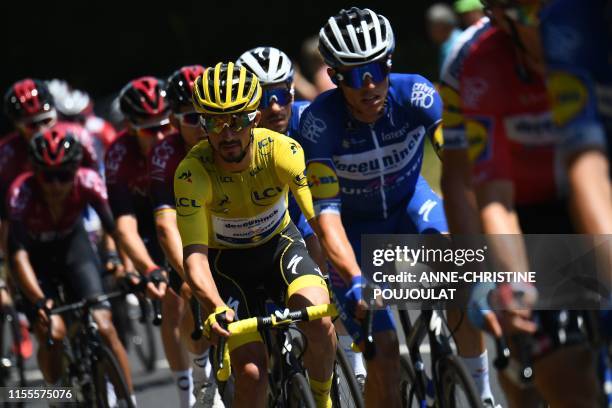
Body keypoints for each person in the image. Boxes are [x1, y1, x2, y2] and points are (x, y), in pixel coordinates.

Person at [296, 7, 499, 407]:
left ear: (389, 64)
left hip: (411, 205)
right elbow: (328, 219)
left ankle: (484, 395)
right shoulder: (320, 123)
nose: (369, 84)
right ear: (335, 77)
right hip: (355, 232)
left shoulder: (417, 94)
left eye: (377, 69)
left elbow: (464, 171)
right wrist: (355, 278)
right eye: (355, 75)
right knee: (384, 353)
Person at [440, 0, 601, 406]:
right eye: (534, 14)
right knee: (559, 372)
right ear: (501, 18)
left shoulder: (594, 33)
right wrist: (486, 277)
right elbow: (475, 190)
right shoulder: (473, 67)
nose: (552, 24)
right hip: (526, 215)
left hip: (596, 196)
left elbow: (592, 174)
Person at [175, 62, 336, 408]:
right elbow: (195, 256)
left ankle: (322, 400)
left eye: (237, 119)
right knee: (250, 374)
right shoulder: (191, 172)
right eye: (215, 122)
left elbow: (321, 221)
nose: (227, 133)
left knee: (320, 322)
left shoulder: (282, 150)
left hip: (281, 248)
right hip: (229, 267)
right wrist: (214, 307)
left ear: (256, 117)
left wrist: (342, 274)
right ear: (203, 124)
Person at [236, 46, 368, 387]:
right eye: (265, 98)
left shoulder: (311, 120)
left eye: (282, 93)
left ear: (293, 90)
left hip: (307, 211)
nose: (276, 107)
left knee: (325, 272)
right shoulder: (236, 139)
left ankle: (353, 362)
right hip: (261, 225)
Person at [6, 127, 136, 406]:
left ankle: (128, 400)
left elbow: (116, 230)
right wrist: (38, 300)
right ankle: (55, 393)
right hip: (35, 263)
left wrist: (123, 265)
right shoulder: (21, 193)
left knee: (104, 326)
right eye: (48, 177)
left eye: (64, 175)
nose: (55, 185)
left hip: (74, 252)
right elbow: (18, 257)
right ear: (35, 173)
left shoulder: (88, 182)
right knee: (53, 333)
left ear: (76, 171)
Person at [149, 65, 222, 407]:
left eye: (209, 116)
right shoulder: (166, 154)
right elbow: (166, 226)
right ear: (174, 122)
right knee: (188, 291)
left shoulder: (229, 135)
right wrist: (191, 276)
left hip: (231, 223)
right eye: (192, 118)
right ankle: (200, 371)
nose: (204, 126)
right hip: (187, 230)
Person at [104, 76, 170, 300]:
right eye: (149, 131)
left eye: (165, 126)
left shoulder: (181, 141)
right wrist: (148, 269)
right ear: (132, 129)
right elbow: (124, 225)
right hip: (142, 221)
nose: (160, 136)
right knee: (170, 295)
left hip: (179, 214)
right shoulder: (118, 155)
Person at [426, 3, 462, 71]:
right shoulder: (446, 44)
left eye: (432, 25)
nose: (429, 30)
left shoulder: (457, 44)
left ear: (442, 25)